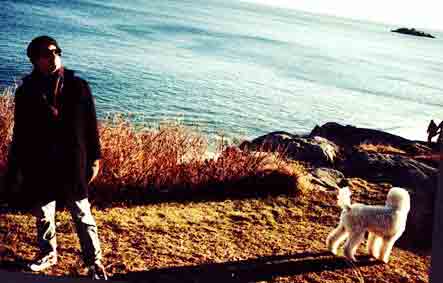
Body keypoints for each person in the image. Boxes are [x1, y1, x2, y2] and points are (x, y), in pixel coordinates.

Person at [8, 36, 107, 280]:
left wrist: (95, 158)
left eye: (55, 51)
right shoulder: (25, 91)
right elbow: (20, 132)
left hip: (72, 162)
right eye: (45, 53)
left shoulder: (78, 85)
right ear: (34, 59)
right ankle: (48, 254)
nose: (52, 56)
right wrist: (16, 166)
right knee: (43, 213)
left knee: (82, 214)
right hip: (40, 162)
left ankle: (94, 262)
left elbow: (90, 125)